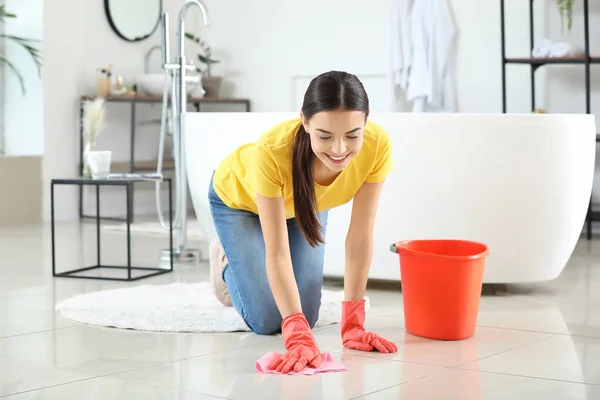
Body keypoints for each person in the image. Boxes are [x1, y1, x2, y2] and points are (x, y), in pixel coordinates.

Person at [207, 70, 398, 373]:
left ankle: (248, 265)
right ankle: (227, 262)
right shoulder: (271, 151)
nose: (338, 149)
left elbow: (360, 237)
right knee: (270, 321)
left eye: (352, 135)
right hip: (239, 202)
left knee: (305, 316)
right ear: (305, 121)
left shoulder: (377, 147)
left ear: (365, 122)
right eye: (324, 136)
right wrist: (293, 332)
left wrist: (353, 323)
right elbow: (278, 251)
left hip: (303, 205)